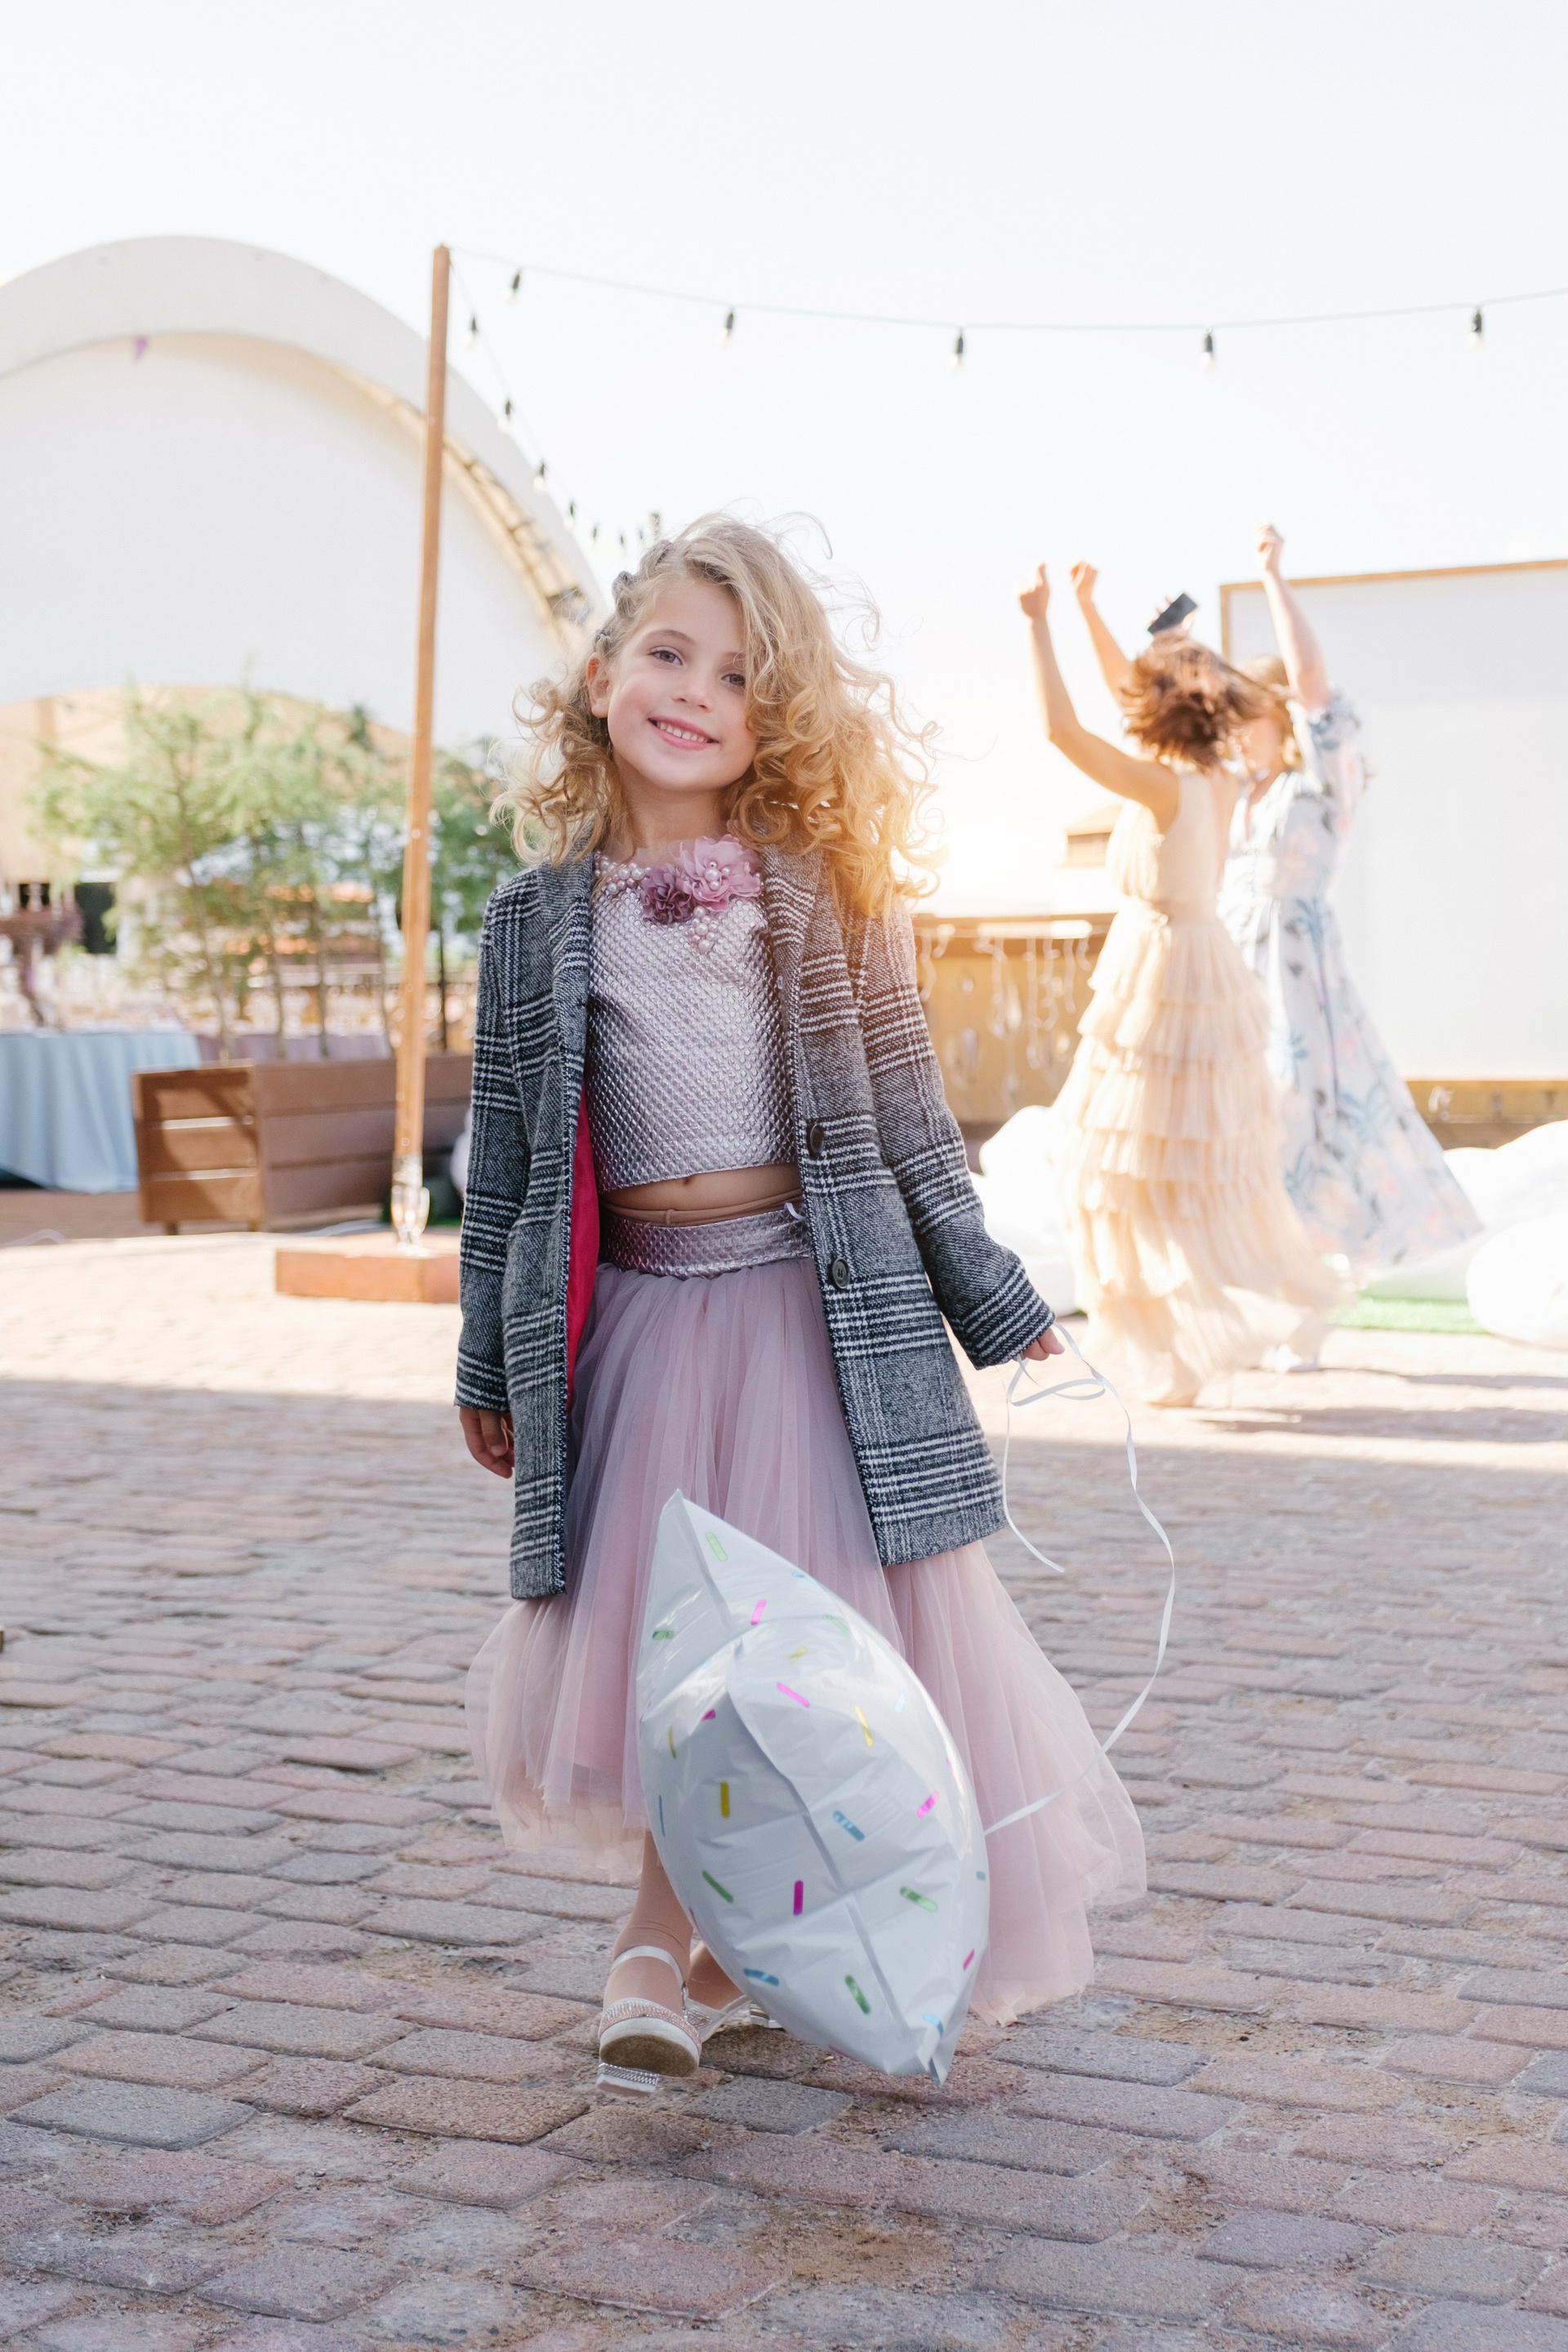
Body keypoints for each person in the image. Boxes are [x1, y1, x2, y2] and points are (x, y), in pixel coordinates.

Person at [457, 518, 1145, 2081]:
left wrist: (994, 1298)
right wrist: (489, 1364)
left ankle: (673, 1947)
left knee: (789, 1656)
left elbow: (910, 1123)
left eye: (739, 678)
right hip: (642, 1330)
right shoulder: (533, 920)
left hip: (803, 1326)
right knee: (676, 1655)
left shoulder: (828, 896)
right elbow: (507, 1166)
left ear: (778, 724)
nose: (695, 693)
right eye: (669, 654)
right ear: (601, 675)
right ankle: (689, 1939)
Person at [1072, 536, 1480, 1279]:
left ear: (1273, 713)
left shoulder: (1319, 785)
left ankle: (1306, 1268)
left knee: (1295, 1113)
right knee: (1220, 1121)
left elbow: (1314, 683)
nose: (1231, 722)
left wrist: (1271, 577)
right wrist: (1113, 622)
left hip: (1296, 977)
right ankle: (1243, 1263)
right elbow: (1138, 701)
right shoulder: (1224, 783)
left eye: (1245, 709)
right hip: (1223, 963)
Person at [1021, 560, 1343, 1406]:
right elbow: (1125, 691)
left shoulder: (1162, 785)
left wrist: (1038, 623)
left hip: (1163, 972)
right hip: (1198, 962)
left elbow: (1062, 731)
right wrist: (1088, 609)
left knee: (1133, 1172)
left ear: (1156, 711)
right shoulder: (1212, 776)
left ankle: (1179, 1353)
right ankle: (1192, 1347)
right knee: (1186, 1172)